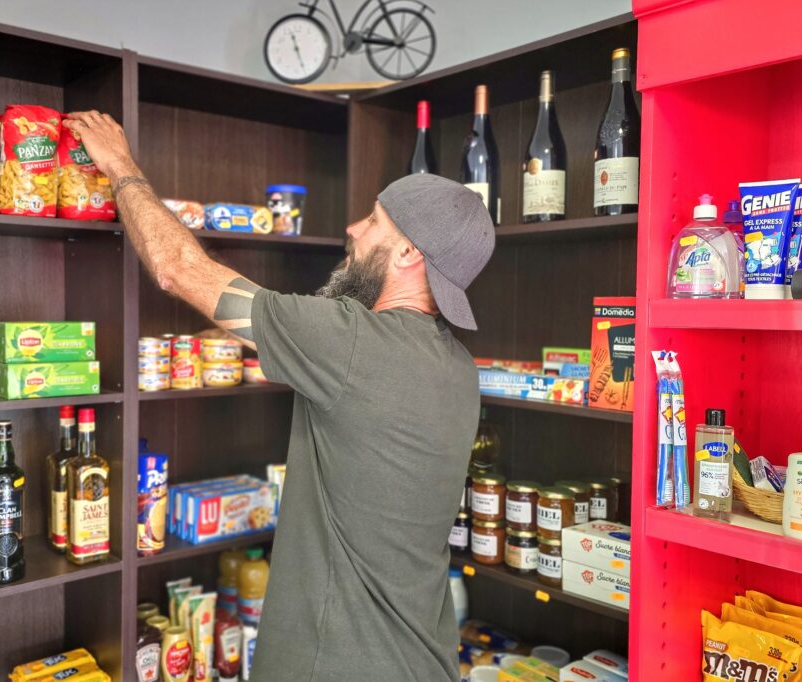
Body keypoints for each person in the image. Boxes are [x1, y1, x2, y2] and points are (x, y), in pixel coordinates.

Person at [64, 111, 495, 681]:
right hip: (422, 661)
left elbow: (178, 271)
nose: (354, 228)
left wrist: (120, 165)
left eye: (374, 219)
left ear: (409, 253)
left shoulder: (350, 341)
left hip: (333, 667)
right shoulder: (459, 369)